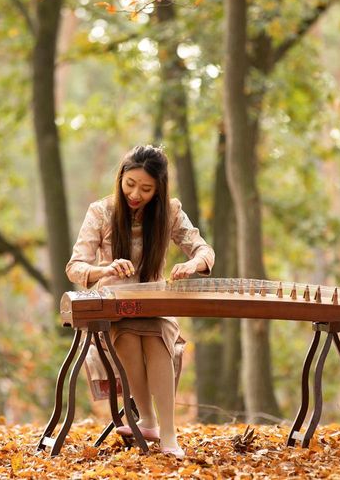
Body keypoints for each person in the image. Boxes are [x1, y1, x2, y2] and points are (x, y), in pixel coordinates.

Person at [66, 145, 215, 459]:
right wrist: (105, 269)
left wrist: (192, 264)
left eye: (146, 189)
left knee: (158, 338)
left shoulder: (169, 212)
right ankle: (147, 419)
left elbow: (204, 250)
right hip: (114, 307)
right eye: (129, 184)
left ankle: (169, 434)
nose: (135, 194)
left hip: (154, 304)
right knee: (131, 337)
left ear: (159, 189)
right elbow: (75, 266)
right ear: (120, 178)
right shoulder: (101, 211)